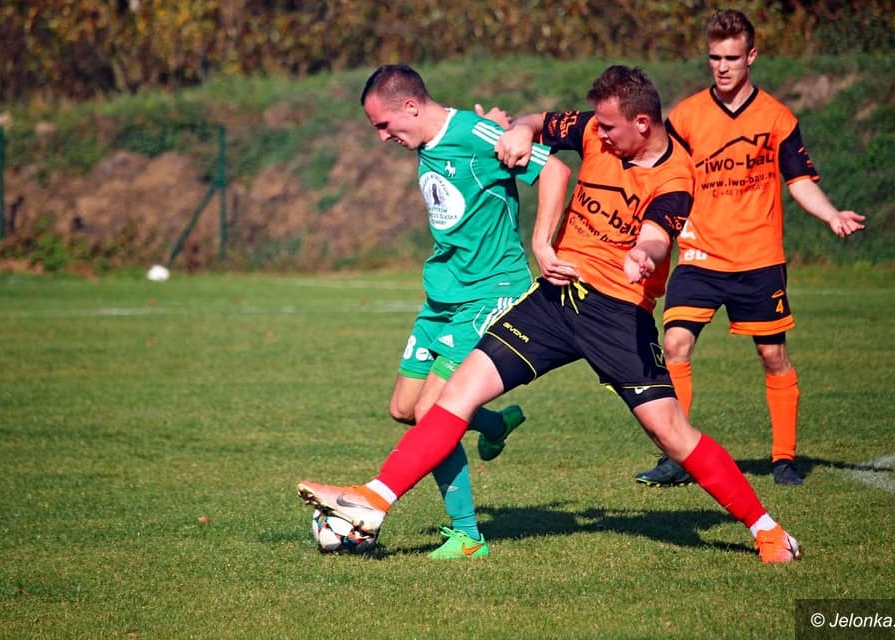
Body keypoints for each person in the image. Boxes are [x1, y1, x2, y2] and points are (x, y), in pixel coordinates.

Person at [299, 65, 802, 564]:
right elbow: (540, 124)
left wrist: (644, 254)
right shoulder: (595, 130)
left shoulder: (676, 177)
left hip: (616, 315)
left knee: (669, 432)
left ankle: (766, 530)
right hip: (555, 299)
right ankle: (373, 501)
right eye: (597, 124)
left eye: (610, 127)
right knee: (455, 396)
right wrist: (519, 129)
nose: (599, 134)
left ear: (642, 123)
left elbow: (656, 234)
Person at [634, 10, 866, 489]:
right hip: (699, 256)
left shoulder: (777, 118)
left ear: (751, 57)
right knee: (674, 345)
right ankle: (677, 457)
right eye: (715, 57)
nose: (722, 67)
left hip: (758, 259)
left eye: (732, 58)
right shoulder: (686, 117)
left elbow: (798, 180)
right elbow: (664, 174)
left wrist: (830, 215)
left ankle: (784, 460)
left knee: (772, 355)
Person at [356, 64, 570, 558]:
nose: (383, 137)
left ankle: (468, 535)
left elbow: (555, 172)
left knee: (431, 414)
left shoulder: (473, 135)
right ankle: (493, 425)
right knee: (403, 409)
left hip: (490, 292)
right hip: (443, 296)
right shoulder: (436, 137)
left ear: (411, 106)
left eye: (385, 125)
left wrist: (542, 243)